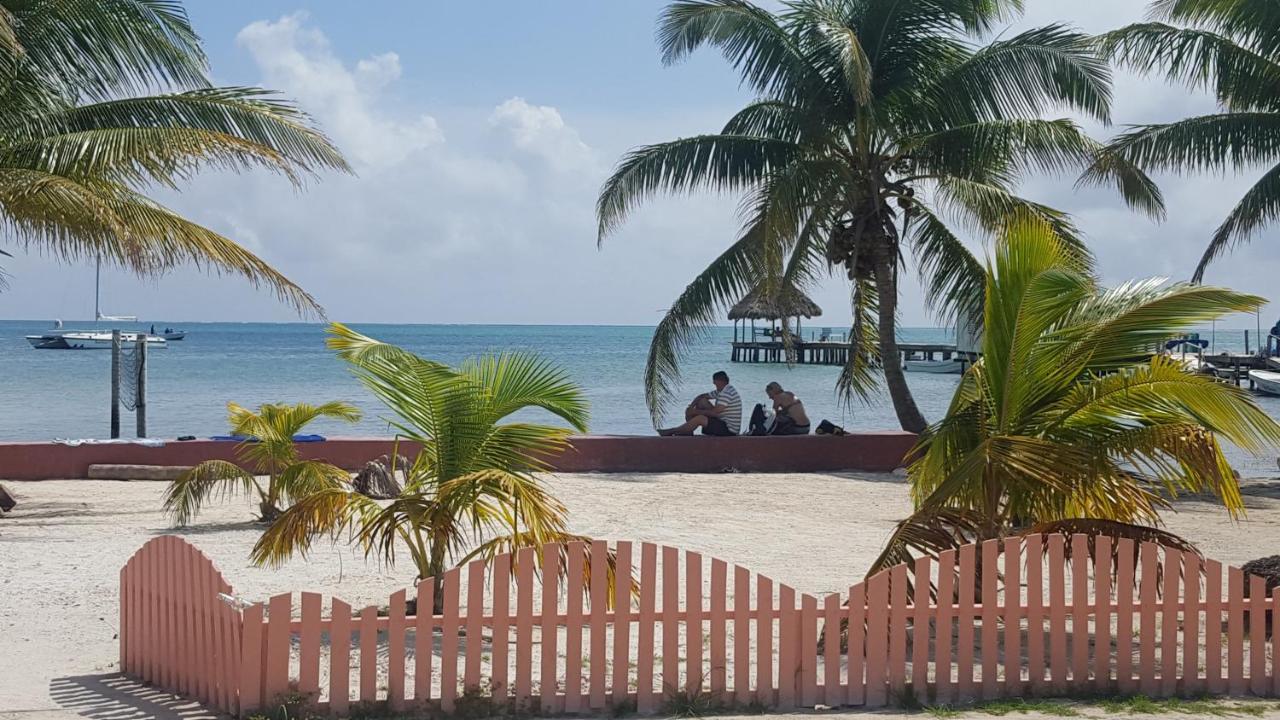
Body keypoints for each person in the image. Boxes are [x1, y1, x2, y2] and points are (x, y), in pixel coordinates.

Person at [658, 370, 741, 436]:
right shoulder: (721, 390)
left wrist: (695, 412)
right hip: (722, 420)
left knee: (700, 418)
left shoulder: (727, 393)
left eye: (715, 382)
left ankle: (672, 431)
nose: (714, 384)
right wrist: (691, 407)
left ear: (720, 381)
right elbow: (701, 396)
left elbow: (715, 412)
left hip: (729, 429)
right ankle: (688, 430)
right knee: (702, 402)